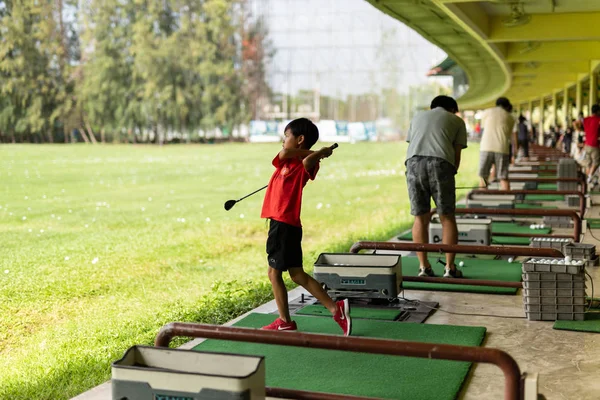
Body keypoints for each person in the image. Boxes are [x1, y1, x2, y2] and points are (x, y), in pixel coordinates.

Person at [260, 118, 351, 335]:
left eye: (286, 137)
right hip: (285, 224)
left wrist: (317, 154)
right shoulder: (286, 160)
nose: (283, 141)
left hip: (284, 225)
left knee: (274, 273)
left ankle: (284, 321)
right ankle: (335, 309)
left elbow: (308, 162)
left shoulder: (309, 163)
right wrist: (316, 151)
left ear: (299, 139)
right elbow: (283, 155)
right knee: (297, 275)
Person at [405, 95, 467, 278]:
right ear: (452, 109)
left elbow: (414, 144)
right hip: (441, 163)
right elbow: (456, 155)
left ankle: (424, 267)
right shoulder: (456, 120)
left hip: (413, 163)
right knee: (447, 217)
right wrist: (450, 175)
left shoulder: (417, 117)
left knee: (420, 218)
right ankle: (449, 268)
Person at [479, 97, 516, 190]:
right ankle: (507, 200)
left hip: (486, 147)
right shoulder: (510, 117)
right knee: (503, 177)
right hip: (502, 148)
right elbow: (509, 134)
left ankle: (481, 201)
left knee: (483, 177)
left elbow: (483, 127)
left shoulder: (487, 112)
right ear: (507, 106)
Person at [583, 104, 600, 184]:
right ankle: (589, 177)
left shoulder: (586, 119)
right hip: (595, 145)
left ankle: (588, 180)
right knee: (596, 162)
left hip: (586, 144)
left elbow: (576, 123)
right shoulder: (598, 119)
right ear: (598, 111)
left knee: (588, 163)